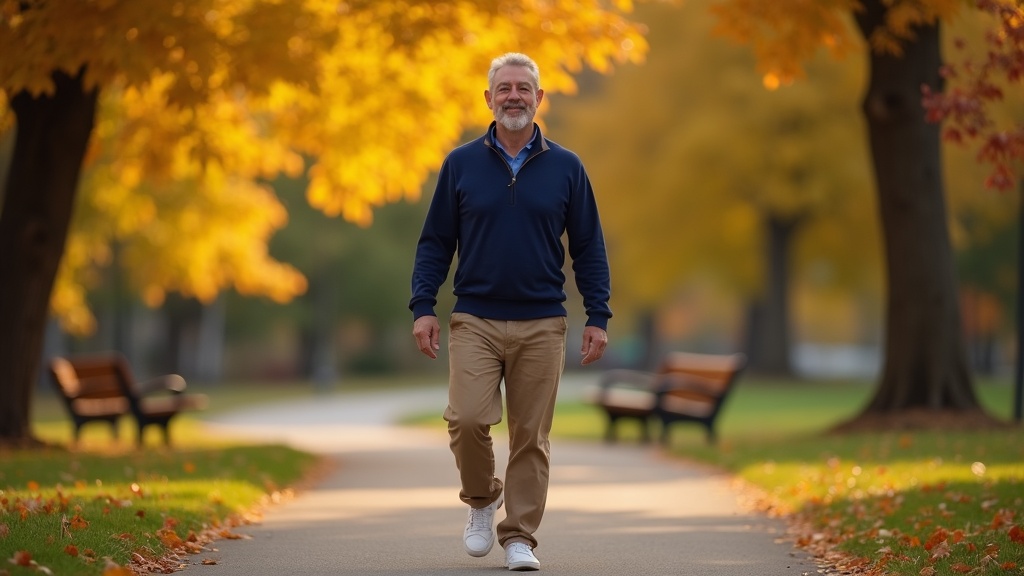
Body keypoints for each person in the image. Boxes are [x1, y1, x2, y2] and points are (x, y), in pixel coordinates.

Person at [409, 52, 611, 572]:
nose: (514, 96)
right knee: (468, 420)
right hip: (474, 316)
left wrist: (598, 315)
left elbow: (588, 247)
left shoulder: (567, 167)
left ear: (540, 98)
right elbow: (436, 242)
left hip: (543, 321)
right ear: (489, 98)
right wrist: (423, 306)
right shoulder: (460, 163)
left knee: (530, 437)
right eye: (505, 88)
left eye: (525, 87)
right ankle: (481, 499)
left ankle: (519, 536)